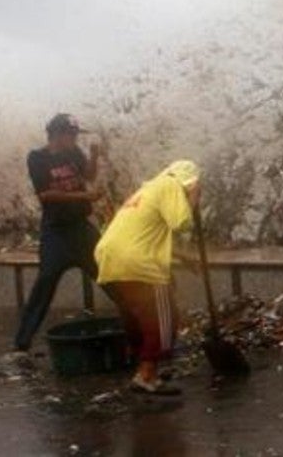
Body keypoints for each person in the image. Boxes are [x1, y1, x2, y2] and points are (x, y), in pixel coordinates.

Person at [95, 160, 202, 396]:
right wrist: (194, 196)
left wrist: (182, 257)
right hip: (139, 263)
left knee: (141, 316)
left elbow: (145, 233)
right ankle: (146, 374)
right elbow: (182, 224)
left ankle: (141, 365)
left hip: (111, 256)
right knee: (165, 320)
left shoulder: (148, 188)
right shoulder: (171, 185)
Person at [13, 114, 105, 354]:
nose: (75, 139)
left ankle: (139, 326)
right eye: (71, 135)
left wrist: (94, 156)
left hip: (82, 228)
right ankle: (21, 344)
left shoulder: (74, 152)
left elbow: (89, 176)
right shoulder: (37, 158)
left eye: (76, 135)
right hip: (56, 232)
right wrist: (85, 196)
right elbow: (45, 195)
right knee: (45, 282)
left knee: (109, 273)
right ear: (56, 134)